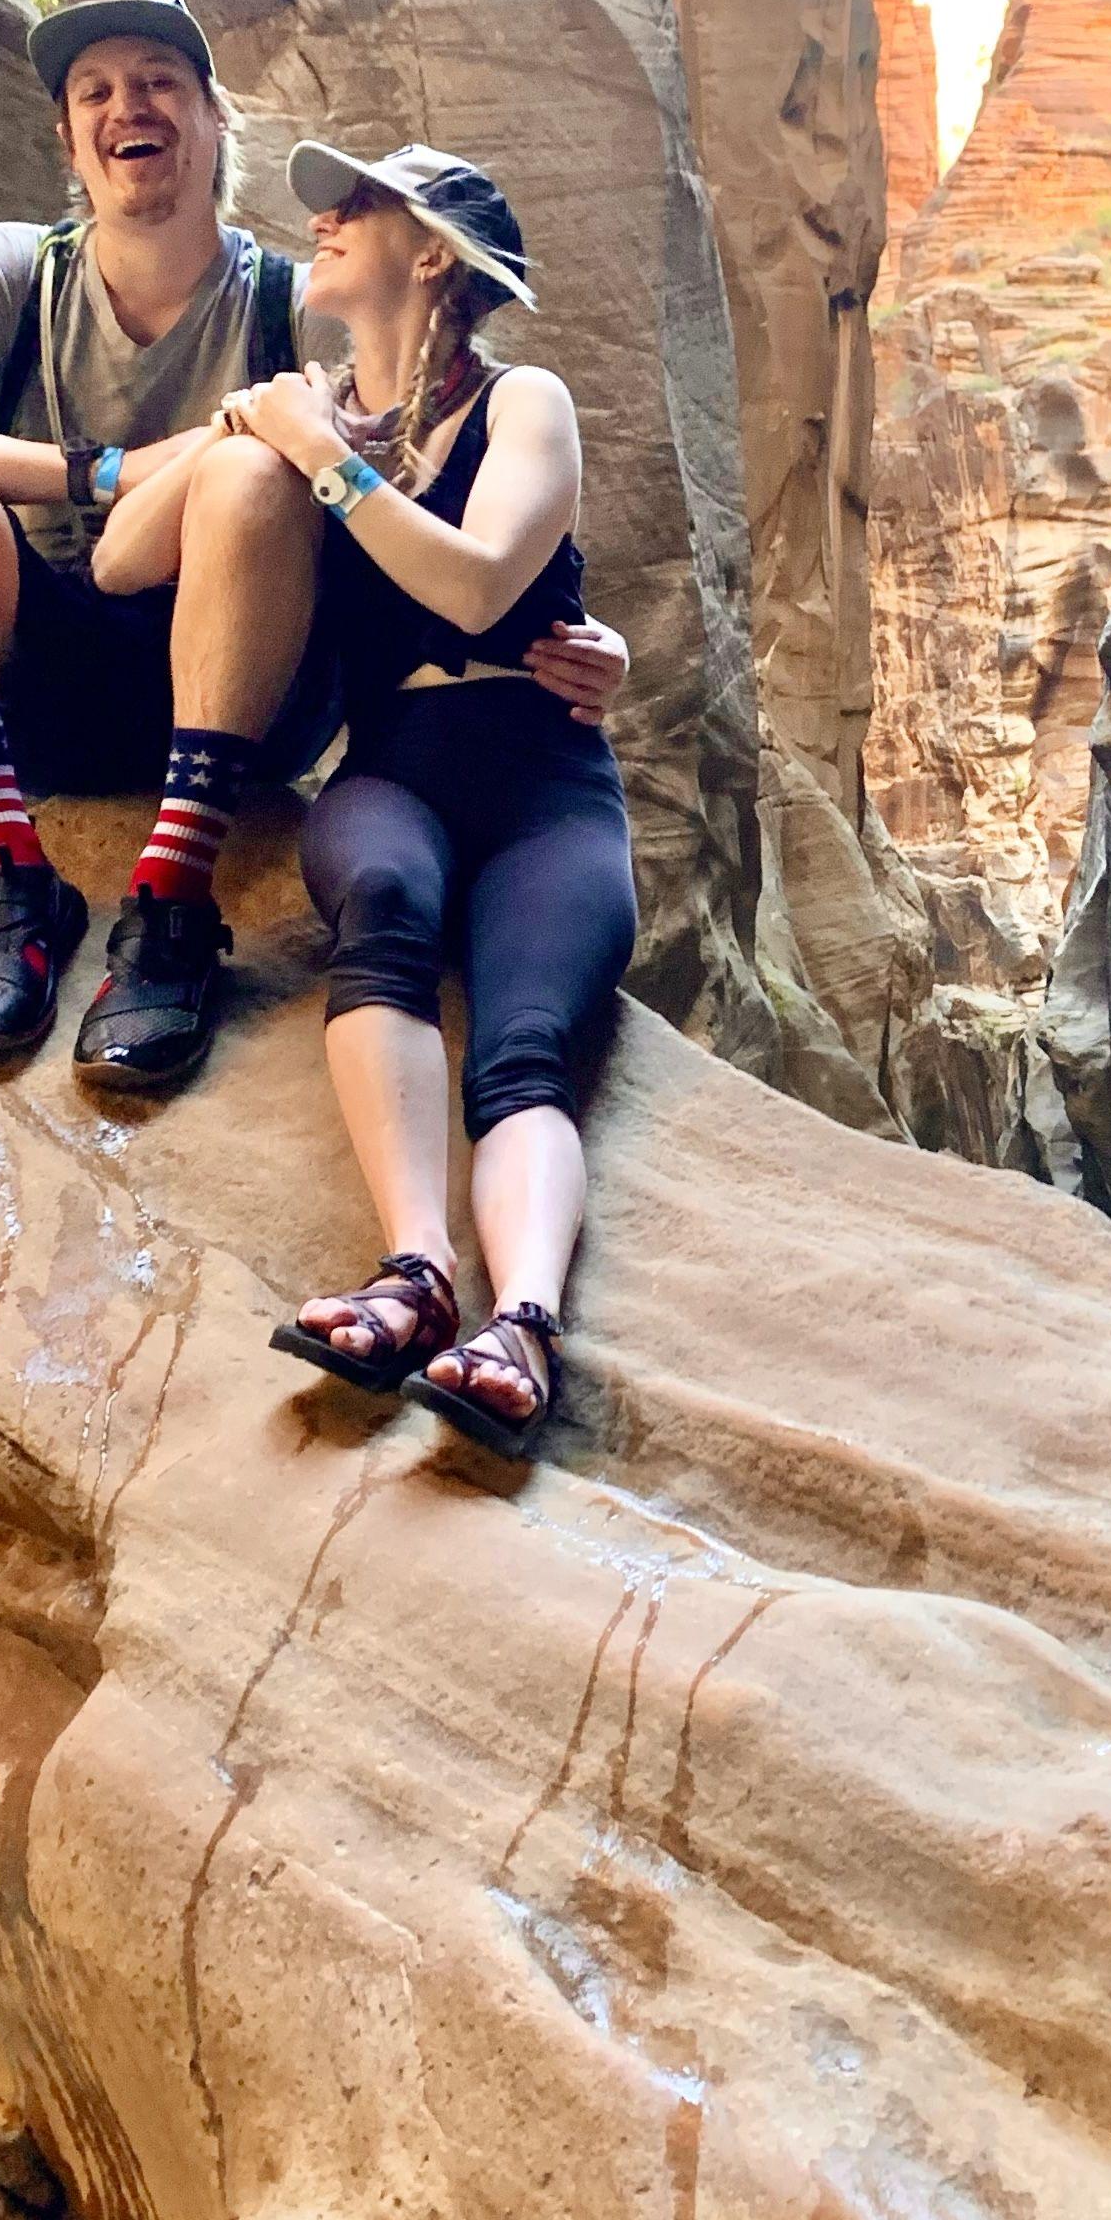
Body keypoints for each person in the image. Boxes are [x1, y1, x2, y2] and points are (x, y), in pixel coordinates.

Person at [0, 0, 620, 1087]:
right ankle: (11, 878)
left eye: (156, 81)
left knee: (253, 464)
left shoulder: (301, 304)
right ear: (66, 138)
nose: (124, 107)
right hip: (43, 673)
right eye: (93, 92)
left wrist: (572, 628)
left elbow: (439, 486)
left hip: (254, 699)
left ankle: (173, 903)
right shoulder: (14, 269)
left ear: (211, 120)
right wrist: (110, 471)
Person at [253, 140, 634, 1462]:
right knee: (387, 904)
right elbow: (148, 549)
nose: (322, 223)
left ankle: (522, 1323)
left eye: (352, 206)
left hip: (545, 784)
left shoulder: (526, 403)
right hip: (391, 768)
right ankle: (414, 1275)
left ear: (432, 256)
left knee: (527, 1036)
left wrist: (321, 461)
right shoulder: (296, 412)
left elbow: (476, 587)